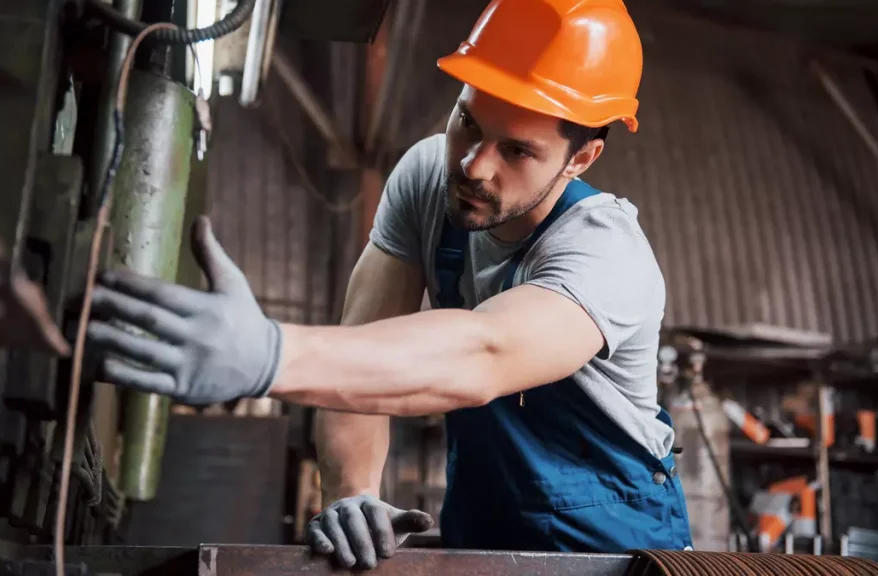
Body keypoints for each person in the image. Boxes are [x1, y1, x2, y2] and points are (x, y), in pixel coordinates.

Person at [86, 0, 693, 569]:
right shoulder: (429, 178)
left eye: (515, 150)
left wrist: (271, 355)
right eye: (467, 121)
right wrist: (351, 493)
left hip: (614, 558)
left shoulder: (605, 252)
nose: (474, 166)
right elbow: (365, 347)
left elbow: (484, 352)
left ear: (580, 158)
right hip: (481, 542)